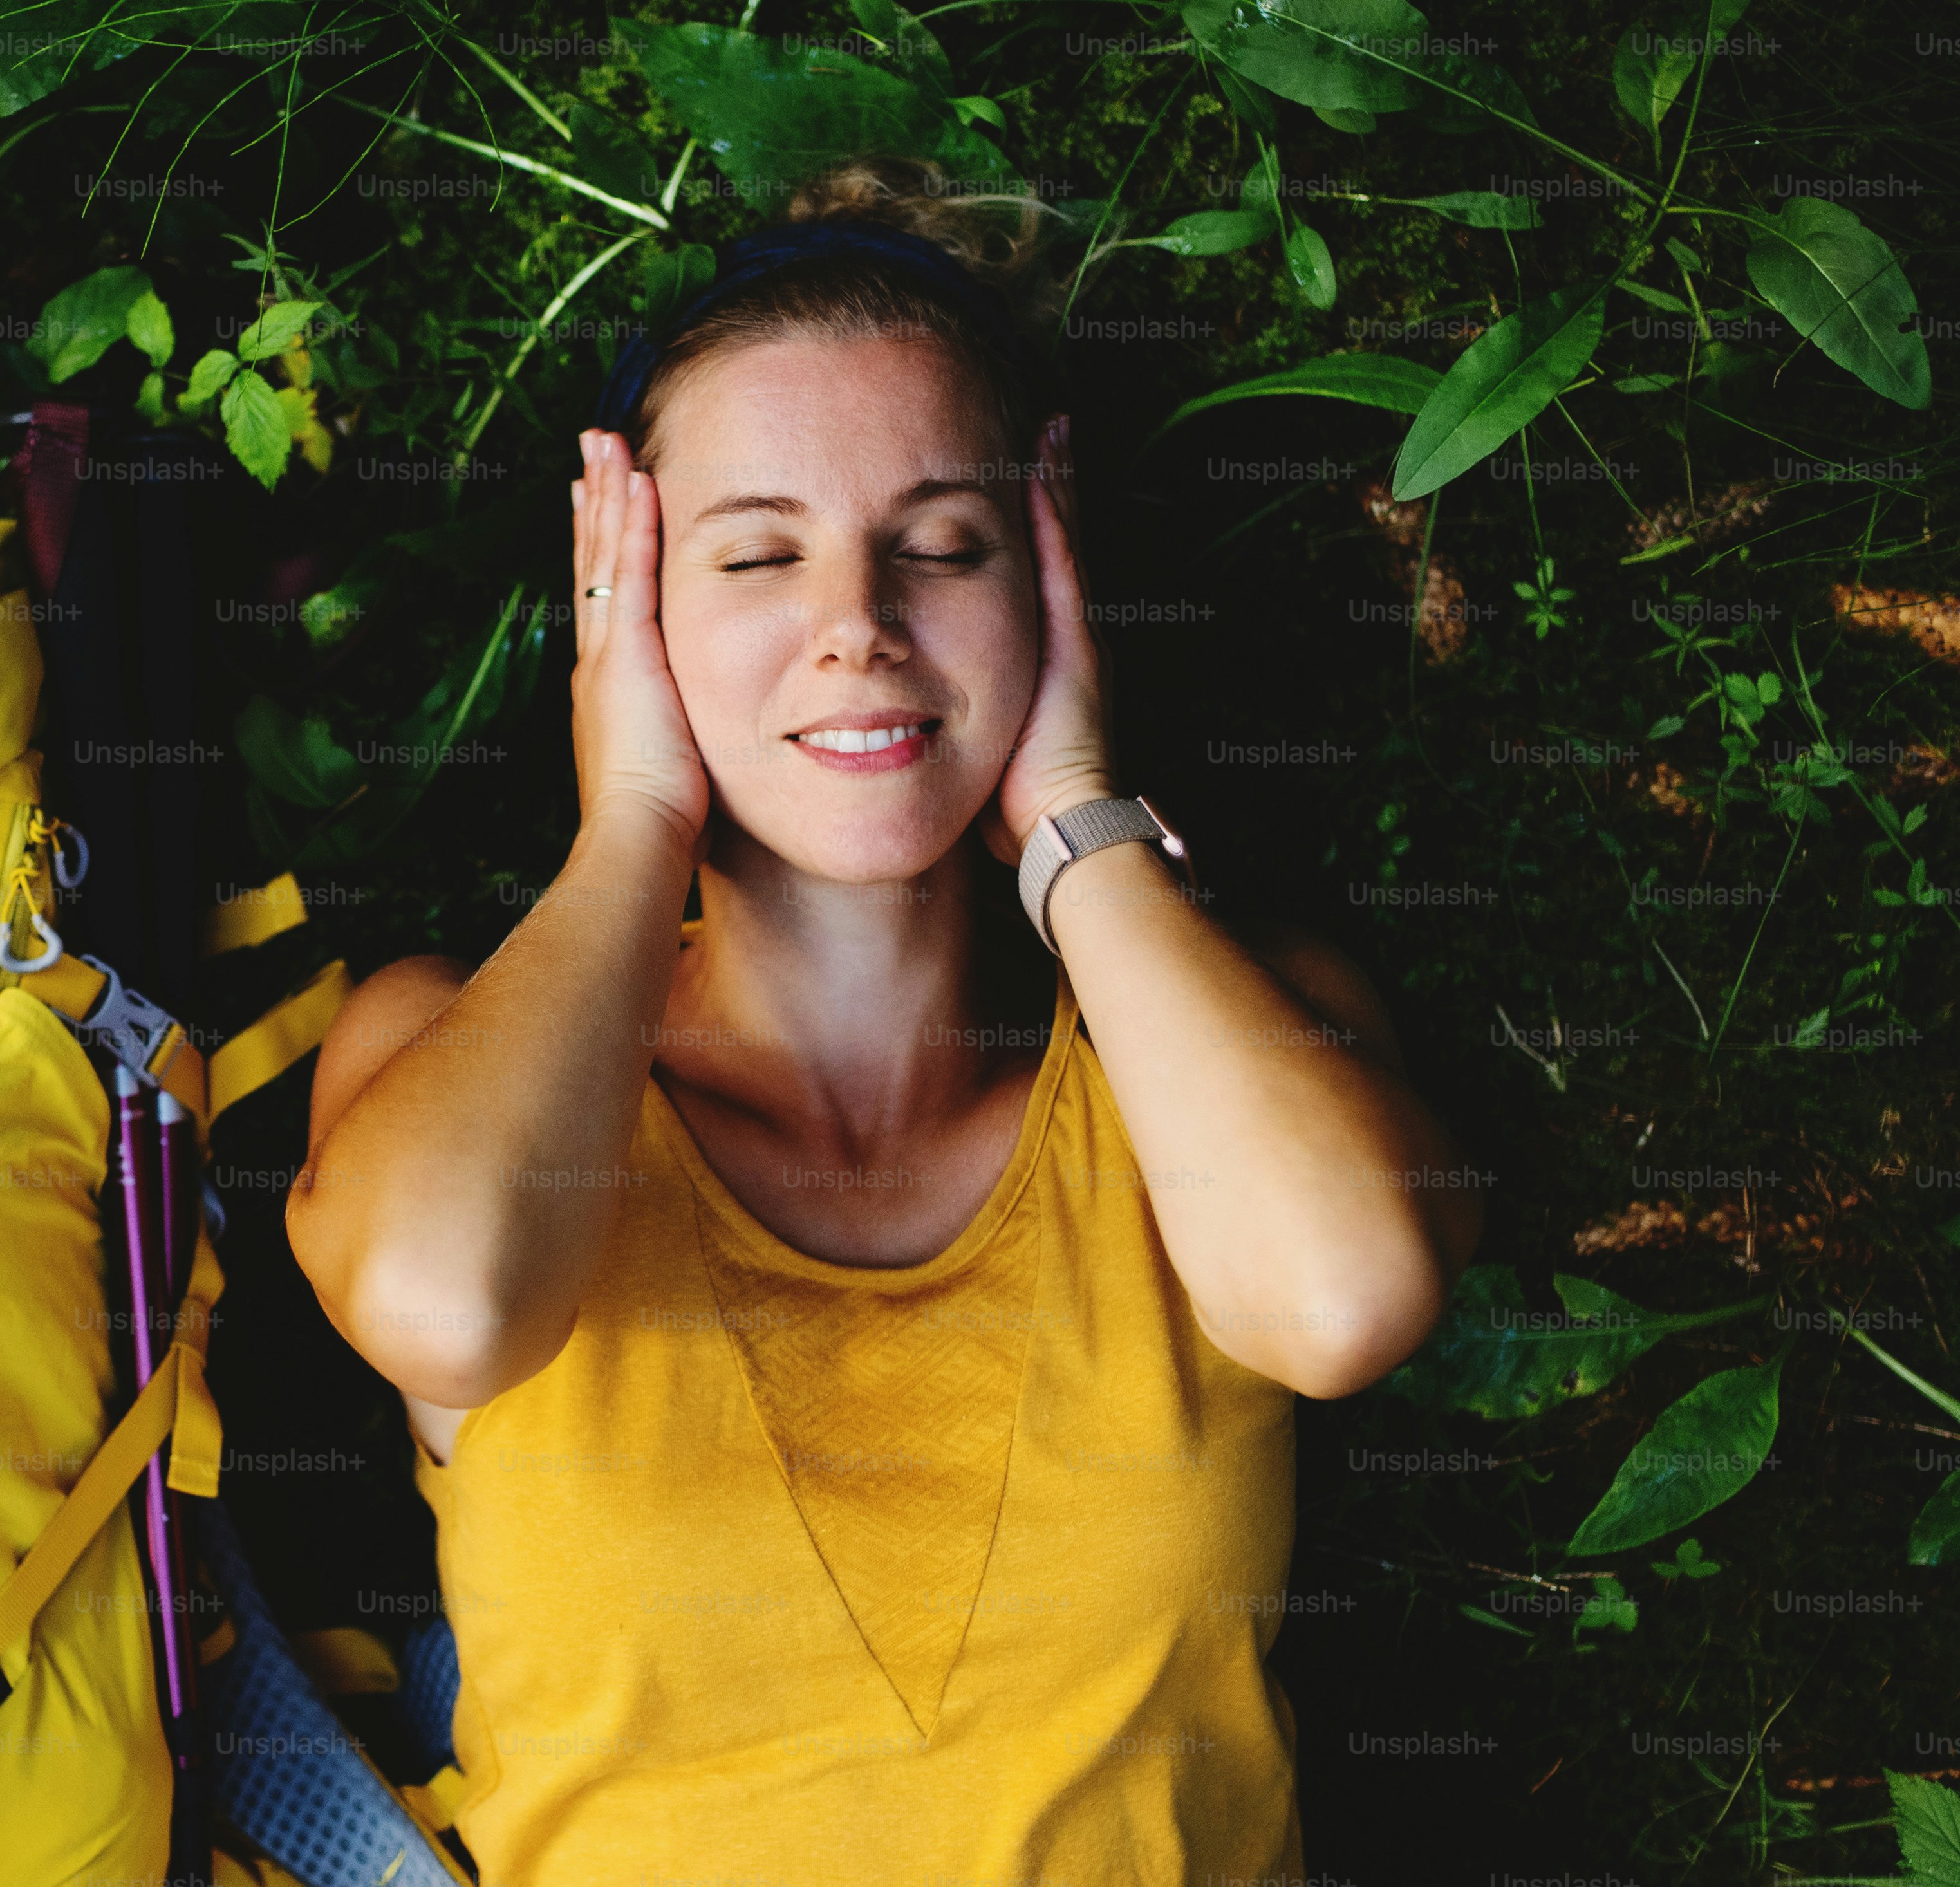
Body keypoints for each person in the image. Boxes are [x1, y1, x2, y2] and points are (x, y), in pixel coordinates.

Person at [285, 158, 1480, 1885]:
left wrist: (1073, 812)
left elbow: (1350, 1294)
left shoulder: (1223, 1038)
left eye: (942, 544)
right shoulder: (447, 1044)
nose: (857, 623)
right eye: (759, 552)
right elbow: (444, 1296)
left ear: (1050, 591)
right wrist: (634, 817)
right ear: (626, 608)